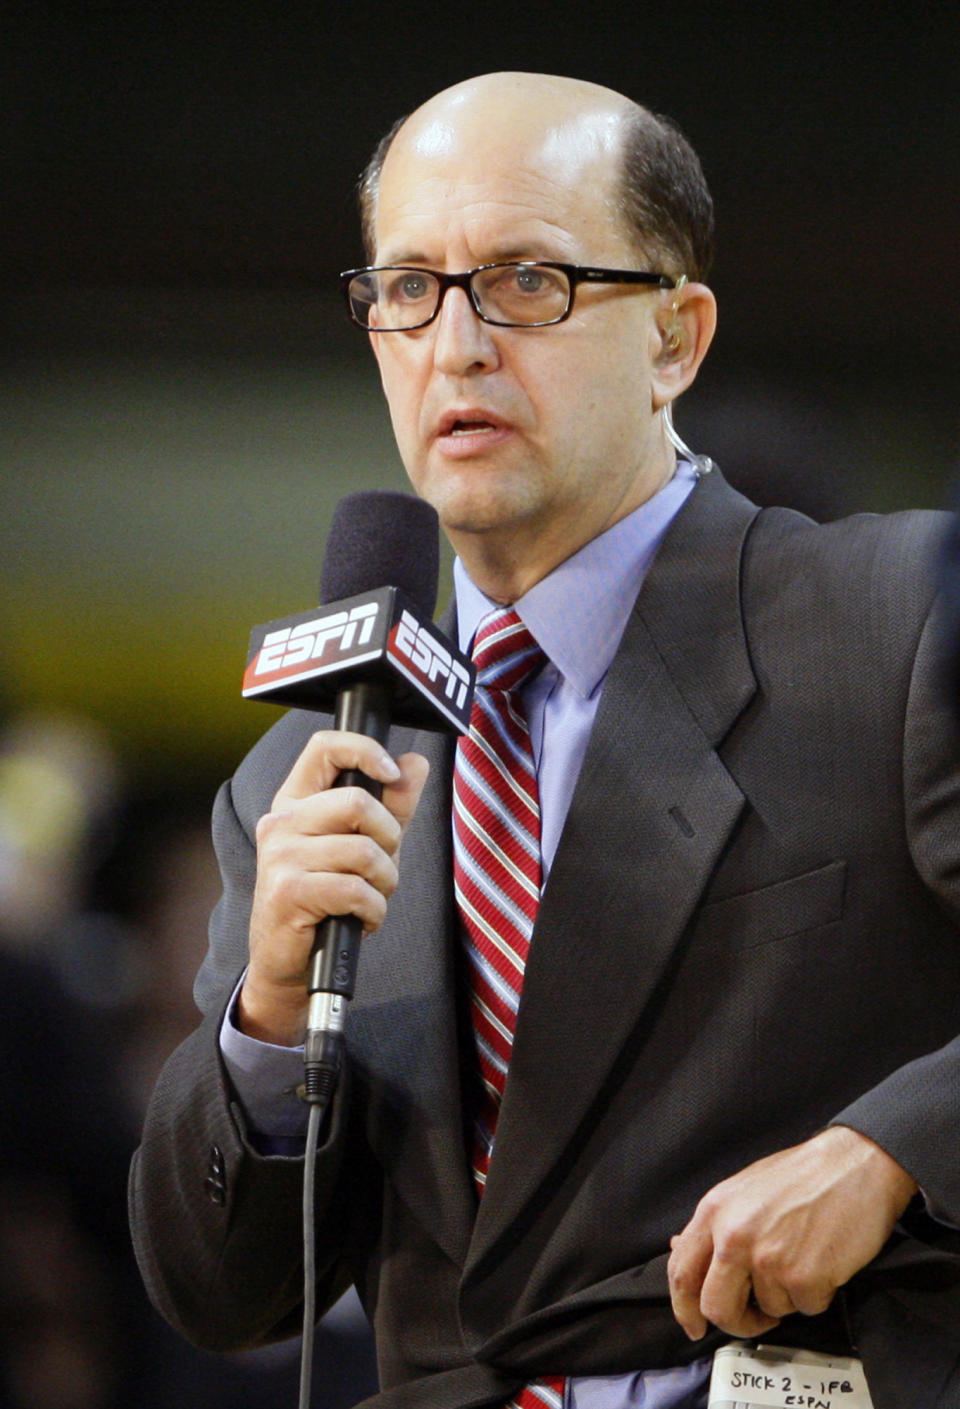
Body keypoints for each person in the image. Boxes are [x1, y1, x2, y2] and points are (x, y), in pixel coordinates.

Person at [129, 73, 960, 1409]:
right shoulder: (303, 776)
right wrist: (268, 1025)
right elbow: (221, 1293)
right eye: (406, 287)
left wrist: (892, 1147)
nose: (454, 343)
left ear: (676, 339)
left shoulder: (896, 617)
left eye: (525, 281)